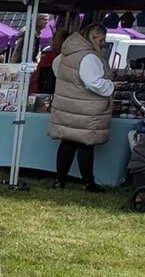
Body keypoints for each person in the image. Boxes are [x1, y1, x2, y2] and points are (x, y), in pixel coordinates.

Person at [48, 22, 115, 192]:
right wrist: (112, 86)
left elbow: (57, 68)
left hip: (68, 104)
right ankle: (87, 182)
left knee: (67, 142)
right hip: (86, 107)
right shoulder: (89, 56)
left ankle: (59, 180)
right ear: (93, 37)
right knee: (86, 144)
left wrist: (72, 85)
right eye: (101, 40)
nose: (102, 44)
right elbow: (93, 82)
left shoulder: (68, 52)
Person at [32, 28, 67, 94]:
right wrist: (35, 93)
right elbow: (36, 78)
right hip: (45, 93)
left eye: (58, 42)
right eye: (55, 42)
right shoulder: (46, 58)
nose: (55, 44)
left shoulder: (69, 58)